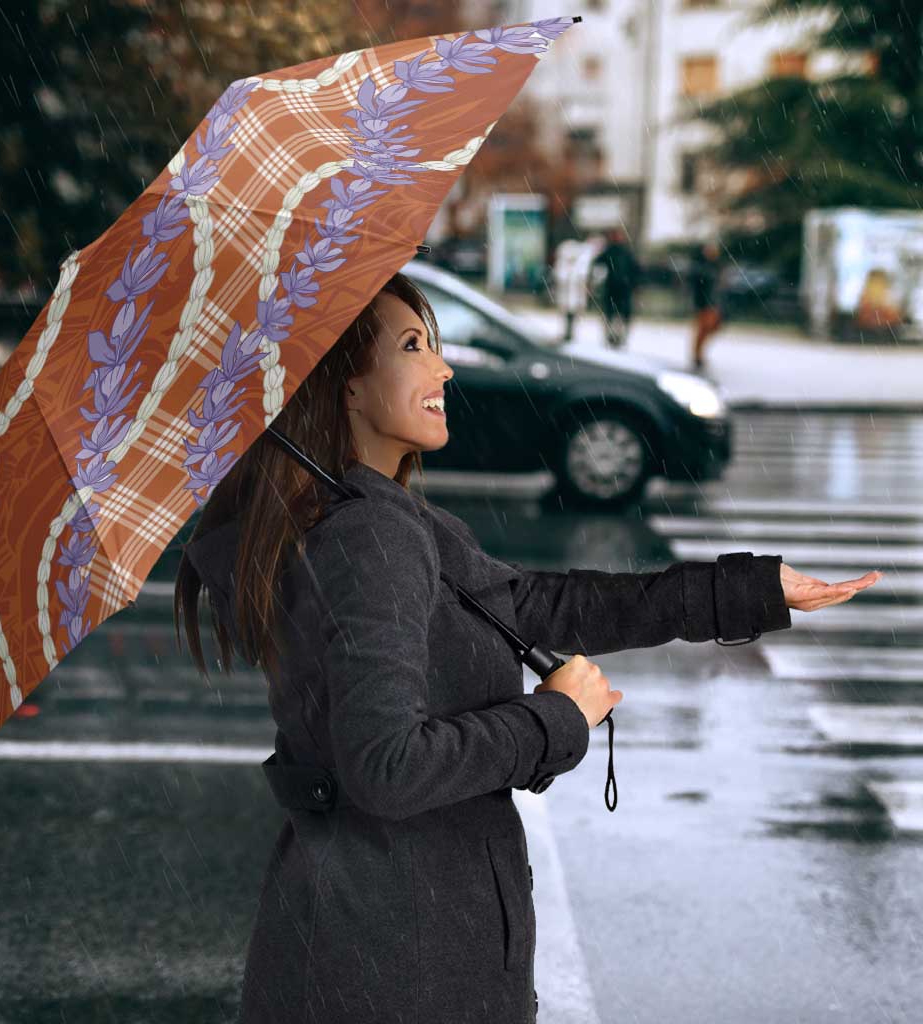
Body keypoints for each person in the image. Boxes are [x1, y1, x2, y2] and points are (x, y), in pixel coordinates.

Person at [175, 271, 878, 1024]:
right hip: (398, 962)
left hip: (380, 941)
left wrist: (749, 591)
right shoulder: (369, 536)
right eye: (413, 346)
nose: (443, 368)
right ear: (345, 386)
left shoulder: (376, 518)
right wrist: (554, 719)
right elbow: (386, 767)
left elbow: (540, 605)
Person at [591, 226, 641, 349]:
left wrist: (634, 284)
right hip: (614, 288)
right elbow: (597, 264)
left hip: (622, 288)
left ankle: (618, 337)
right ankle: (612, 337)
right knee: (612, 314)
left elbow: (635, 270)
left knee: (619, 315)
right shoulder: (611, 251)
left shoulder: (624, 252)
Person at [689, 239, 725, 370]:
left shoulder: (716, 266)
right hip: (704, 303)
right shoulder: (701, 267)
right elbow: (698, 286)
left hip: (713, 303)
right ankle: (697, 355)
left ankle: (698, 354)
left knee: (711, 328)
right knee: (703, 329)